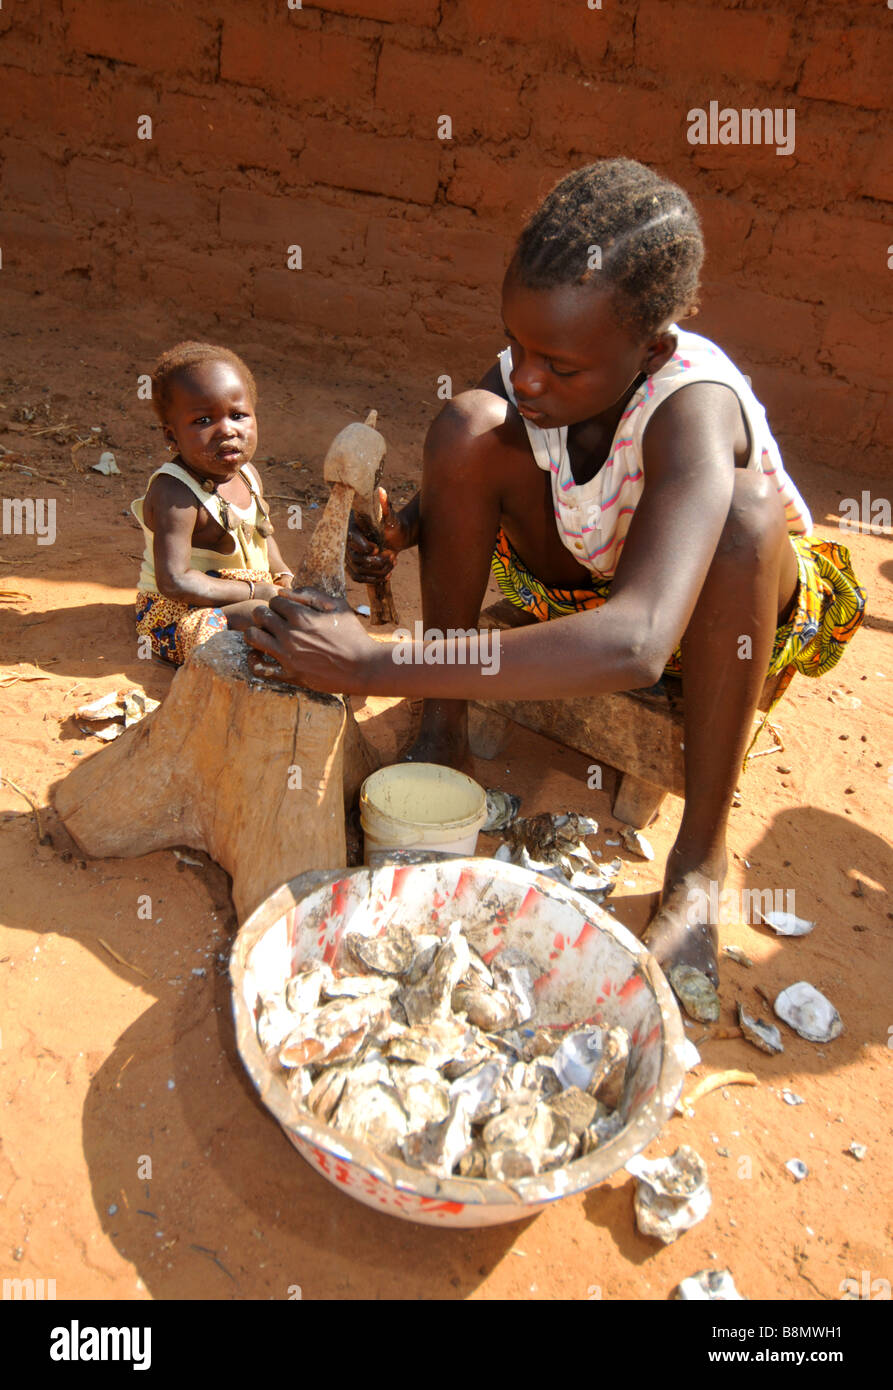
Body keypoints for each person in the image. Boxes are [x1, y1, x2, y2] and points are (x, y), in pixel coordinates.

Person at [236, 159, 865, 985]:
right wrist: (405, 528)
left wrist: (372, 661)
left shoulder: (692, 406)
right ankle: (442, 729)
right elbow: (481, 456)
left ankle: (699, 863)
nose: (527, 377)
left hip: (713, 612)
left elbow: (638, 642)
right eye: (515, 343)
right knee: (467, 422)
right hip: (579, 575)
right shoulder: (536, 368)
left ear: (652, 348)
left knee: (743, 518)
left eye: (559, 367)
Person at [132, 341, 294, 666]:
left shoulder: (247, 475)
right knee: (266, 618)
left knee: (315, 608)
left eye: (238, 415)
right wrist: (256, 593)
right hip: (178, 611)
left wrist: (284, 578)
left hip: (247, 591)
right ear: (171, 436)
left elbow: (263, 535)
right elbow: (175, 581)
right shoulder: (174, 493)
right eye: (203, 421)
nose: (226, 430)